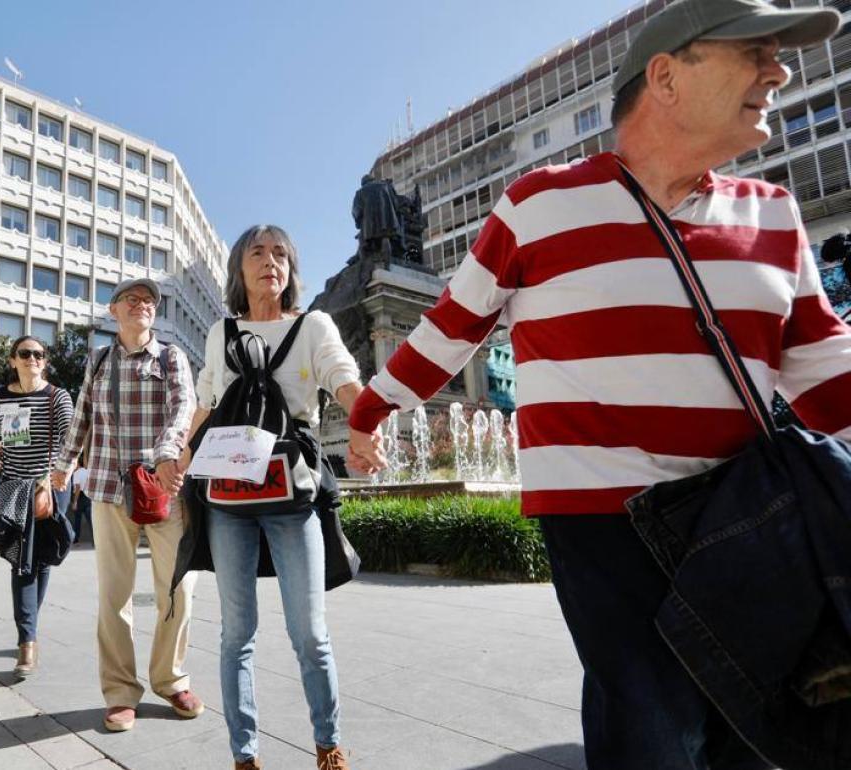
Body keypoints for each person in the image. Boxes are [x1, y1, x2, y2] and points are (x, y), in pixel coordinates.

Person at [347, 2, 851, 767]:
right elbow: (452, 327)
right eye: (755, 51)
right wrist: (370, 411)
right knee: (650, 732)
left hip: (747, 510)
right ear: (666, 77)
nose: (778, 71)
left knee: (755, 728)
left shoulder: (773, 214)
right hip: (601, 521)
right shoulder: (538, 204)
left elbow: (824, 368)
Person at [176, 225, 362, 770]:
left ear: (291, 269)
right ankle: (245, 755)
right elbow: (207, 401)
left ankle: (328, 745)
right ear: (240, 267)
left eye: (280, 253)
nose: (270, 262)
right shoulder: (221, 332)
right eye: (257, 253)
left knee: (310, 634)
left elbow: (342, 377)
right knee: (236, 634)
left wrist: (365, 421)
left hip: (292, 493)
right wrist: (180, 460)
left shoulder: (312, 326)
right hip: (228, 496)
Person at [51, 277, 199, 733]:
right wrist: (62, 465)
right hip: (109, 489)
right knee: (114, 596)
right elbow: (82, 416)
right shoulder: (97, 360)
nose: (143, 305)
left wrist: (167, 453)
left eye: (149, 300)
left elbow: (183, 408)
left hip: (164, 487)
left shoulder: (171, 357)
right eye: (132, 299)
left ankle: (170, 679)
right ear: (113, 310)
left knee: (178, 589)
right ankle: (120, 692)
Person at [0, 335, 74, 677]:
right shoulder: (1, 396)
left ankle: (28, 627)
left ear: (44, 361)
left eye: (39, 354)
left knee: (42, 557)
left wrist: (49, 480)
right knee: (22, 561)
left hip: (48, 484)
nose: (32, 359)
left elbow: (70, 440)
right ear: (13, 360)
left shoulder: (57, 396)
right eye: (25, 353)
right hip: (12, 485)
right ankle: (27, 641)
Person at [69, 461, 91, 544]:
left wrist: (75, 502)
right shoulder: (86, 471)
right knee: (90, 520)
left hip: (80, 497)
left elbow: (78, 488)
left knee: (77, 520)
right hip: (88, 497)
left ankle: (76, 539)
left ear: (77, 463)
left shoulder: (76, 473)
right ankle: (95, 539)